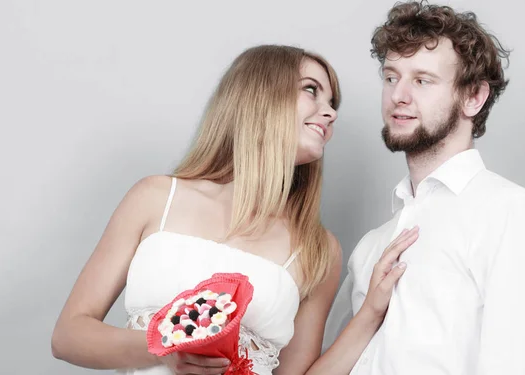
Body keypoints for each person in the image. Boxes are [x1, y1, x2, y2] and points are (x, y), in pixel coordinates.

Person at [51, 44, 414, 375]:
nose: (330, 113)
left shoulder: (318, 249)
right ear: (259, 94)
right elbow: (68, 336)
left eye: (332, 102)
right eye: (310, 90)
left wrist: (369, 315)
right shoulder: (155, 198)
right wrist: (164, 349)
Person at [311, 2, 525, 375]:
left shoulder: (511, 213)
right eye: (391, 76)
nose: (398, 95)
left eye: (422, 80)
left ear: (473, 97)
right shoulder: (371, 246)